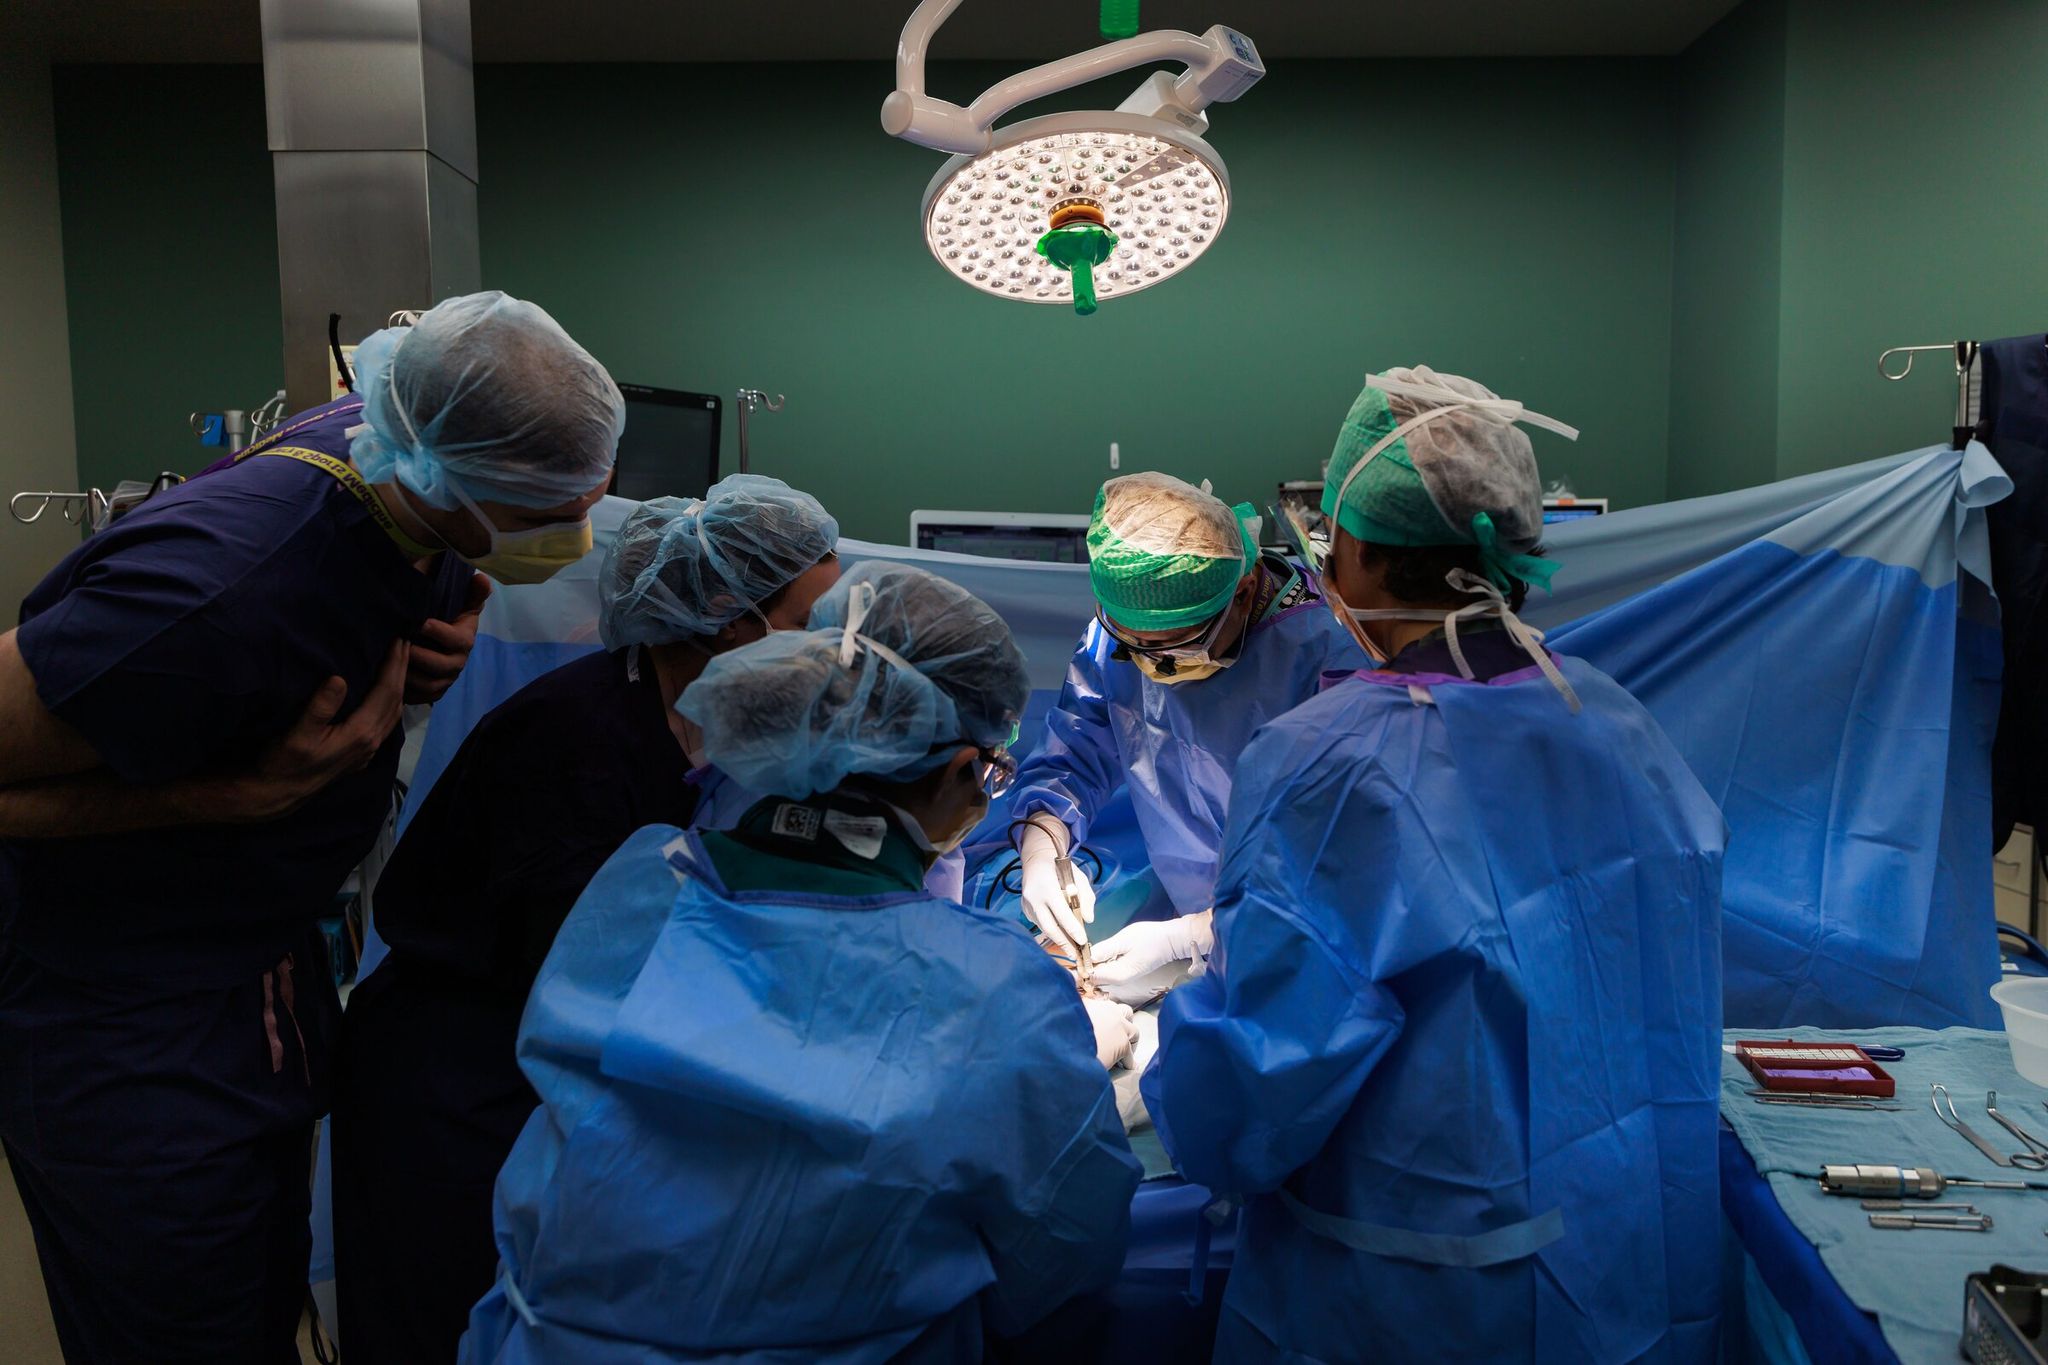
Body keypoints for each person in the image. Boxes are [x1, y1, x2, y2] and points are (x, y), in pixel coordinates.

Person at [0, 289, 622, 1364]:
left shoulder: (389, 437)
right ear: (458, 484)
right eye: (546, 515)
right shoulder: (205, 596)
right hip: (125, 1012)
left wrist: (447, 603)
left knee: (265, 1278)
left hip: (250, 961)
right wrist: (221, 800)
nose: (569, 535)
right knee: (192, 1327)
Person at [1144, 366, 1727, 1363]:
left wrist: (1164, 1052)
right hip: (1616, 1260)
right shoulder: (1612, 722)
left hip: (1406, 1297)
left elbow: (1253, 1095)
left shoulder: (1330, 760)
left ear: (1357, 553)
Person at [461, 562, 1142, 1364]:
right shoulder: (993, 983)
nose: (985, 795)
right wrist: (1066, 1071)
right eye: (992, 776)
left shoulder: (647, 877)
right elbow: (1065, 1256)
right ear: (962, 767)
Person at [330, 476, 841, 1365]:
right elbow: (591, 979)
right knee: (449, 1327)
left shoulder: (684, 718)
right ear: (729, 618)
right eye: (811, 620)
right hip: (453, 1087)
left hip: (517, 1051)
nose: (828, 650)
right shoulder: (576, 746)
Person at [1006, 471, 1356, 1003]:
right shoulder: (1119, 631)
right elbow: (1073, 755)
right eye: (1132, 646)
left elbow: (1345, 863)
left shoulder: (1325, 656)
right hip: (1195, 914)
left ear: (1242, 591)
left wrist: (1190, 937)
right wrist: (1043, 842)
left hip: (1311, 944)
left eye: (1174, 647)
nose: (1150, 666)